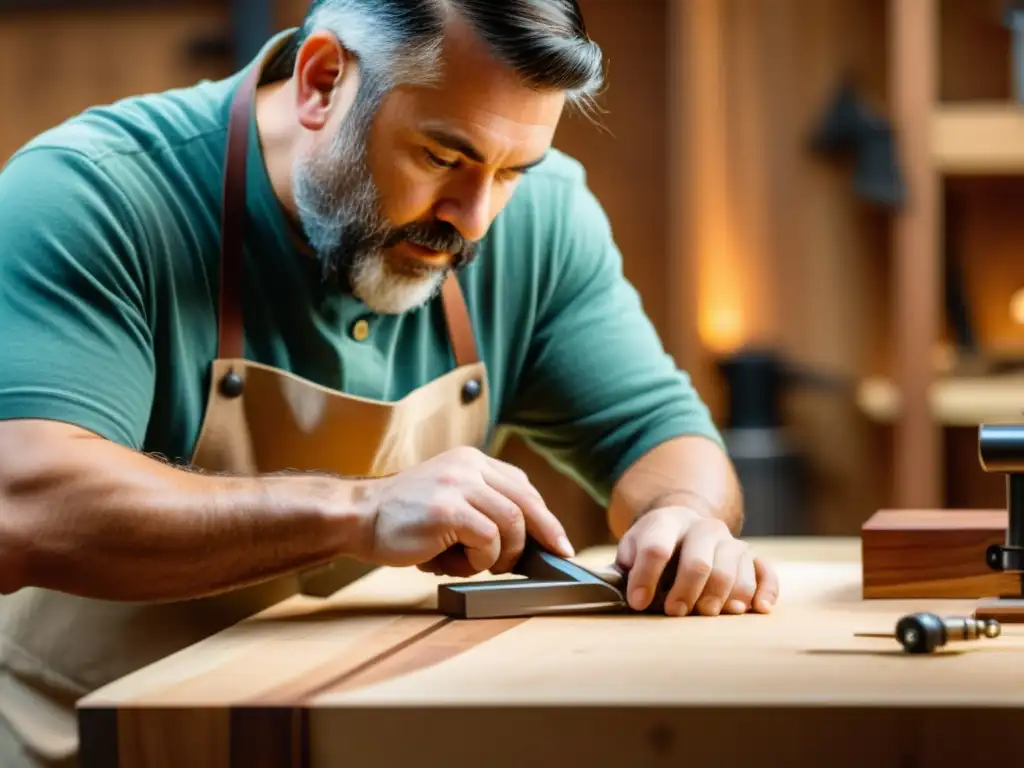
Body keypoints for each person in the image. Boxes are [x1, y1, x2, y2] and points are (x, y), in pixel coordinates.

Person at [0, 0, 779, 765]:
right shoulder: (95, 195)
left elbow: (661, 434)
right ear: (322, 79)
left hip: (361, 741)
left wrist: (690, 519)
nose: (474, 218)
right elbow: (27, 502)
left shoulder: (543, 218)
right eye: (443, 157)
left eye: (511, 170)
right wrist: (357, 510)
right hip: (84, 741)